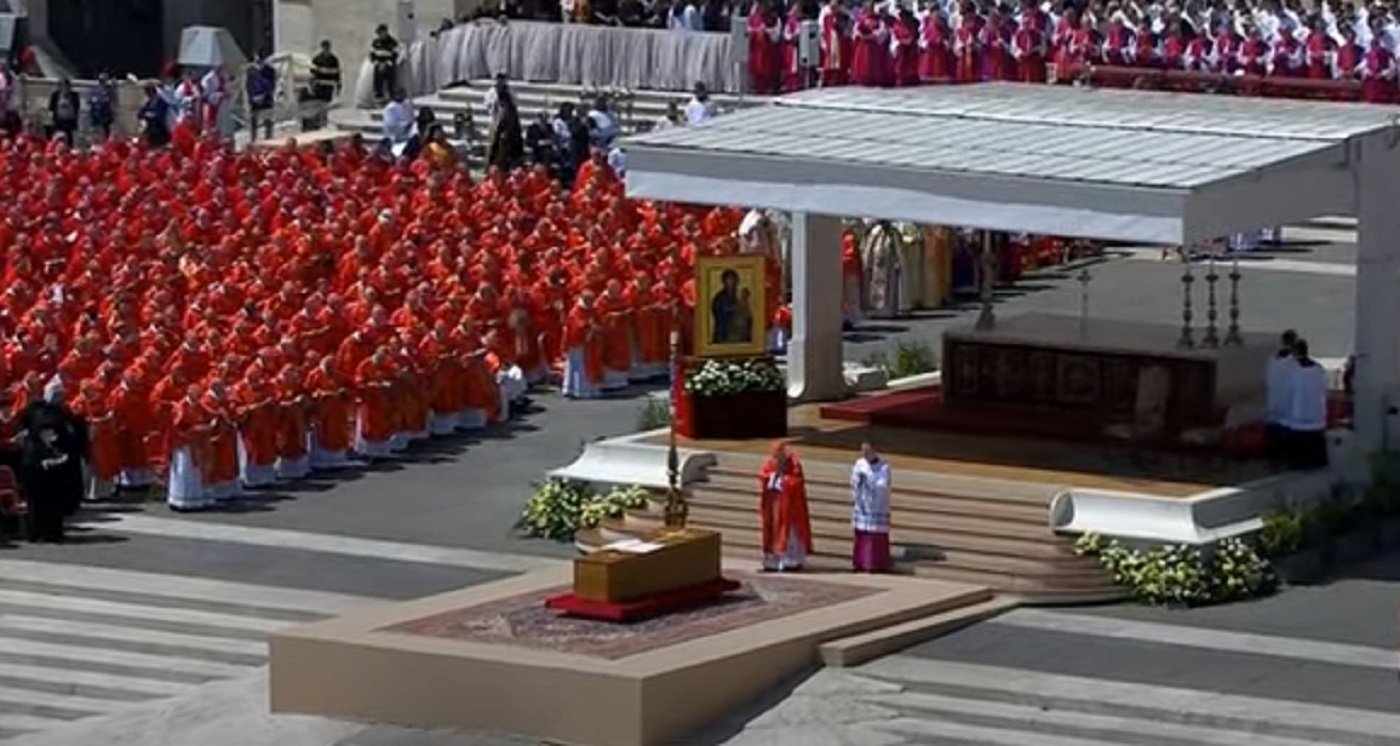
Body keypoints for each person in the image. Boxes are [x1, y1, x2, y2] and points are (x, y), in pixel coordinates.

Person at [757, 442, 813, 572]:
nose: (777, 458)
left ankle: (792, 561)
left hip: (790, 507)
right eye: (775, 454)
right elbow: (763, 475)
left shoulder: (794, 463)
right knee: (773, 533)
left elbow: (797, 481)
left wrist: (784, 480)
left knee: (790, 535)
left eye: (779, 453)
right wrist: (772, 477)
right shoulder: (770, 463)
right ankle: (773, 562)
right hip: (774, 504)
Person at [1287, 339, 1329, 469]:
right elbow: (1324, 389)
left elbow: (1289, 390)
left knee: (1301, 457)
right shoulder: (1319, 369)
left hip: (1299, 416)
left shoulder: (1293, 370)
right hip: (1316, 415)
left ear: (1295, 352)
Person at [850, 442, 892, 572]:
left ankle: (875, 563)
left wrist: (870, 481)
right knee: (862, 534)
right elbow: (853, 481)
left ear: (874, 450)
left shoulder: (883, 466)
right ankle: (860, 562)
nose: (864, 454)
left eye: (867, 451)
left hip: (876, 505)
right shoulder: (859, 463)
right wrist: (858, 480)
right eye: (863, 451)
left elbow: (883, 485)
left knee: (875, 536)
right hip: (863, 504)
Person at [1265, 329, 1298, 465]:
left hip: (1273, 404)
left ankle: (1273, 461)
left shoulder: (1272, 360)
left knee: (1274, 442)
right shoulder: (1294, 361)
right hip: (1289, 407)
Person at [710, 269, 753, 345]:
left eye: (733, 280)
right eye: (729, 280)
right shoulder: (720, 297)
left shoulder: (736, 295)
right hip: (725, 327)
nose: (731, 282)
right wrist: (734, 309)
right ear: (724, 281)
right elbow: (719, 310)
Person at [247, 53, 278, 138]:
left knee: (268, 120)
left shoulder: (270, 70)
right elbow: (249, 85)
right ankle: (253, 138)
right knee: (254, 121)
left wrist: (264, 95)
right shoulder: (251, 71)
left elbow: (272, 85)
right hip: (255, 99)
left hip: (266, 98)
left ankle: (269, 137)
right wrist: (252, 97)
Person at [371, 24, 401, 102]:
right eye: (379, 33)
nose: (380, 35)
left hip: (389, 64)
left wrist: (388, 62)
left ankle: (391, 95)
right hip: (379, 64)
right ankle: (379, 95)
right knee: (378, 77)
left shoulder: (392, 43)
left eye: (381, 33)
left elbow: (396, 55)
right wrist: (376, 62)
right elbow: (372, 54)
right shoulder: (376, 43)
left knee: (390, 78)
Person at [138, 83, 172, 147]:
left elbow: (159, 116)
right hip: (151, 126)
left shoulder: (161, 100)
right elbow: (140, 113)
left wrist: (147, 114)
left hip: (161, 128)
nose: (147, 93)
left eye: (148, 90)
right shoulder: (149, 101)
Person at [48, 78, 81, 142]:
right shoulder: (55, 95)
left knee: (70, 140)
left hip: (70, 122)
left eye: (66, 86)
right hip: (58, 122)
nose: (64, 88)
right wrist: (50, 122)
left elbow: (77, 108)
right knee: (59, 139)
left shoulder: (74, 95)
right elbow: (50, 109)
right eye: (62, 86)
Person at [88, 72, 116, 139]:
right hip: (96, 112)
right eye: (102, 80)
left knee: (106, 130)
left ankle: (105, 140)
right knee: (96, 129)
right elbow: (90, 100)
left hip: (105, 112)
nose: (103, 82)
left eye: (104, 80)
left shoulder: (109, 89)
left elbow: (112, 99)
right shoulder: (95, 89)